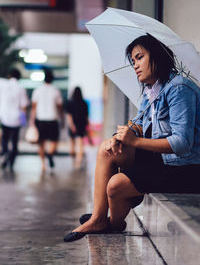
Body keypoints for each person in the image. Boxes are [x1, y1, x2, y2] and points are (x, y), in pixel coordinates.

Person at [63, 34, 200, 242]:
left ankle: (112, 224)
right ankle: (99, 218)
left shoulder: (180, 89)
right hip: (161, 160)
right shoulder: (153, 90)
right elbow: (139, 122)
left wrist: (134, 141)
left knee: (116, 185)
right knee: (106, 149)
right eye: (133, 61)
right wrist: (120, 137)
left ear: (157, 56)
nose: (135, 65)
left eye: (139, 57)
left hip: (185, 168)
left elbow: (182, 143)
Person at [30, 69, 63, 171]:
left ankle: (43, 165)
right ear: (52, 79)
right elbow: (60, 107)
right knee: (54, 140)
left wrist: (31, 121)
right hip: (52, 119)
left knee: (41, 143)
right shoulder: (56, 91)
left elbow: (33, 108)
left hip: (40, 120)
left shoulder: (37, 90)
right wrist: (62, 118)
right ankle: (50, 153)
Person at [0, 68, 29, 171]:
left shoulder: (3, 85)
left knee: (5, 138)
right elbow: (24, 106)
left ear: (9, 76)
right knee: (14, 140)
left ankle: (5, 152)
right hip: (16, 118)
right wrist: (24, 121)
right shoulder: (21, 88)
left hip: (4, 116)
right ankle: (12, 160)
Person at [65, 87, 89, 167]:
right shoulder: (84, 103)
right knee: (80, 144)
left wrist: (71, 125)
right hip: (81, 124)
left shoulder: (69, 103)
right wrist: (87, 126)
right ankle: (78, 162)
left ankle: (74, 158)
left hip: (73, 125)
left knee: (72, 143)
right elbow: (86, 117)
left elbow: (69, 115)